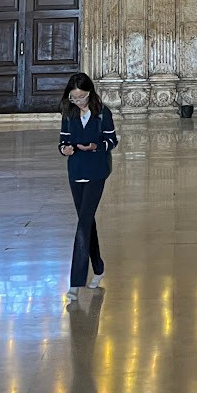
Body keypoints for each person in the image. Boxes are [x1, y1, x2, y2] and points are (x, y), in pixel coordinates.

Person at [58, 72, 118, 301]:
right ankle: (99, 266)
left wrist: (96, 146)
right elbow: (62, 140)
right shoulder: (69, 113)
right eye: (74, 98)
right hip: (76, 172)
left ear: (90, 93)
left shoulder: (103, 113)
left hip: (96, 171)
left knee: (82, 224)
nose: (78, 101)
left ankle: (76, 282)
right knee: (87, 221)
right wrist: (65, 149)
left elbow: (112, 140)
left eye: (81, 97)